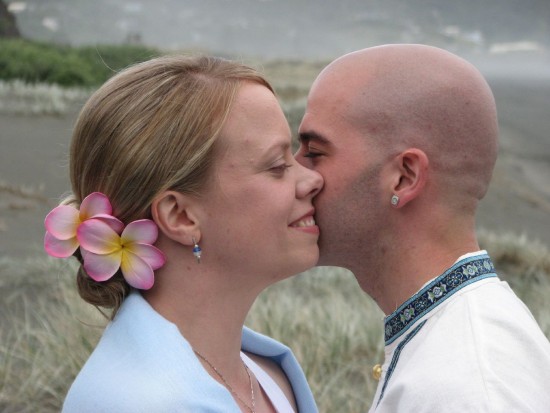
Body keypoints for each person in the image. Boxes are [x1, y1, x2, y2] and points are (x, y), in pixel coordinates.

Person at [45, 55, 323, 412]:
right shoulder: (133, 402)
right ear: (180, 215)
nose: (311, 179)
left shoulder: (266, 373)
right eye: (278, 166)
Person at [296, 44, 550, 412]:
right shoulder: (455, 346)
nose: (294, 175)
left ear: (404, 177)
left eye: (314, 152)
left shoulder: (473, 388)